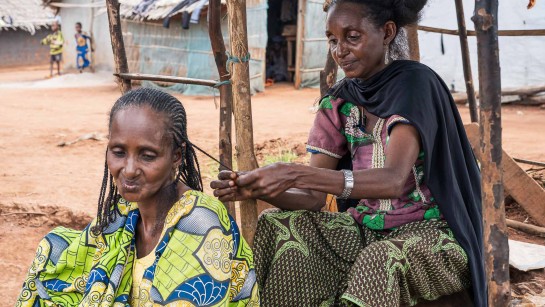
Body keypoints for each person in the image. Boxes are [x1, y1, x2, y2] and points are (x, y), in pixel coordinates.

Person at [211, 0, 486, 306]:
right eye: (332, 40)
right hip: (366, 228)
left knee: (380, 258)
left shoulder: (414, 84)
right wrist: (260, 188)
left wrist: (293, 172)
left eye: (352, 37)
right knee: (279, 224)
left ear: (387, 32)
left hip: (431, 234)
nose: (340, 50)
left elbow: (394, 180)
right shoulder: (340, 102)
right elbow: (313, 198)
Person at [17, 88, 259, 306]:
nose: (129, 169)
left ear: (176, 156)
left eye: (147, 155)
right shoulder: (124, 214)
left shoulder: (200, 223)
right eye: (119, 152)